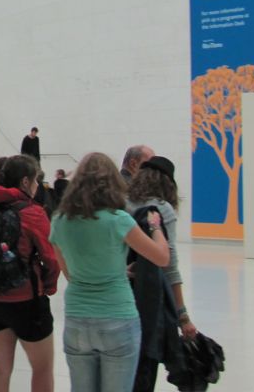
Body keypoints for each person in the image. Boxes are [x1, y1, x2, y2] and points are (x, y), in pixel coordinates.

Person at [49, 152, 170, 392]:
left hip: (77, 319)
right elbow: (161, 257)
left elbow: (70, 273)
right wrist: (155, 226)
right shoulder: (118, 220)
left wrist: (109, 269)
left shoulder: (60, 221)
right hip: (118, 317)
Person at [0, 155, 60, 392]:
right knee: (42, 367)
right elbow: (51, 258)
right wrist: (48, 287)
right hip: (27, 301)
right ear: (26, 182)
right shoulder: (34, 213)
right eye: (36, 180)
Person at [126, 156, 197, 391]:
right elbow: (169, 264)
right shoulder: (161, 209)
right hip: (150, 297)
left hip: (121, 292)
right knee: (146, 365)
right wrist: (183, 315)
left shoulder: (121, 203)